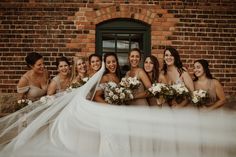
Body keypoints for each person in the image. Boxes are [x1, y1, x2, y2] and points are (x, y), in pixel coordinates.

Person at [0, 52, 236, 157]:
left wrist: (122, 99)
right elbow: (97, 98)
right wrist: (113, 104)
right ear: (102, 63)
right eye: (107, 62)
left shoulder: (122, 76)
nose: (111, 65)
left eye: (113, 61)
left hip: (122, 111)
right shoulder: (101, 78)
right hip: (109, 113)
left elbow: (130, 91)